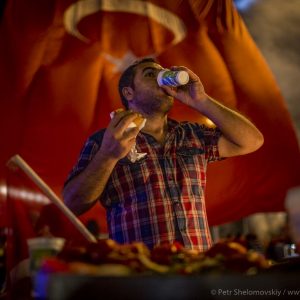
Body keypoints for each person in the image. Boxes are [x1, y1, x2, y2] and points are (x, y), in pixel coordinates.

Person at [63, 58, 264, 251]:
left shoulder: (191, 134)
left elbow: (251, 141)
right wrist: (108, 155)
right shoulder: (106, 140)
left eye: (162, 73)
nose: (160, 77)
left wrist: (201, 100)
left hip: (197, 269)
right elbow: (73, 204)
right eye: (150, 74)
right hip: (141, 274)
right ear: (129, 93)